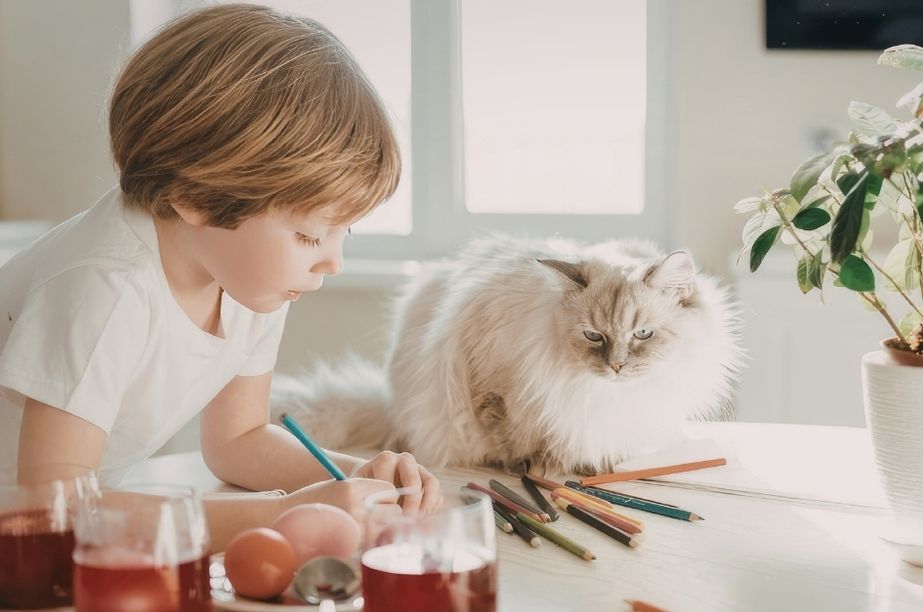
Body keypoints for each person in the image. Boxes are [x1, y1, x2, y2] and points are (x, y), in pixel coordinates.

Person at [0, 3, 440, 550]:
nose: (332, 262)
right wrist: (276, 516)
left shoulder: (247, 280)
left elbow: (237, 441)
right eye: (308, 235)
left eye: (342, 232)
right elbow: (53, 508)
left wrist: (354, 475)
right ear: (194, 199)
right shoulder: (105, 287)